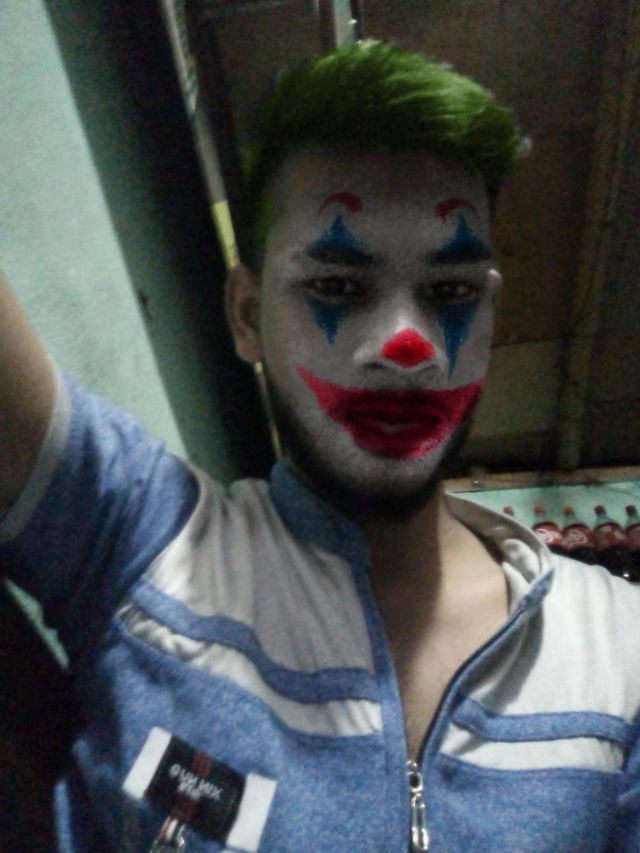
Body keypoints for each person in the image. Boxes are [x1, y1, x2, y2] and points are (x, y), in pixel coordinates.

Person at [0, 40, 638, 852]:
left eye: (450, 292)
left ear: (491, 315)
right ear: (245, 315)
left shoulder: (620, 646)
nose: (407, 346)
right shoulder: (141, 543)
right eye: (338, 285)